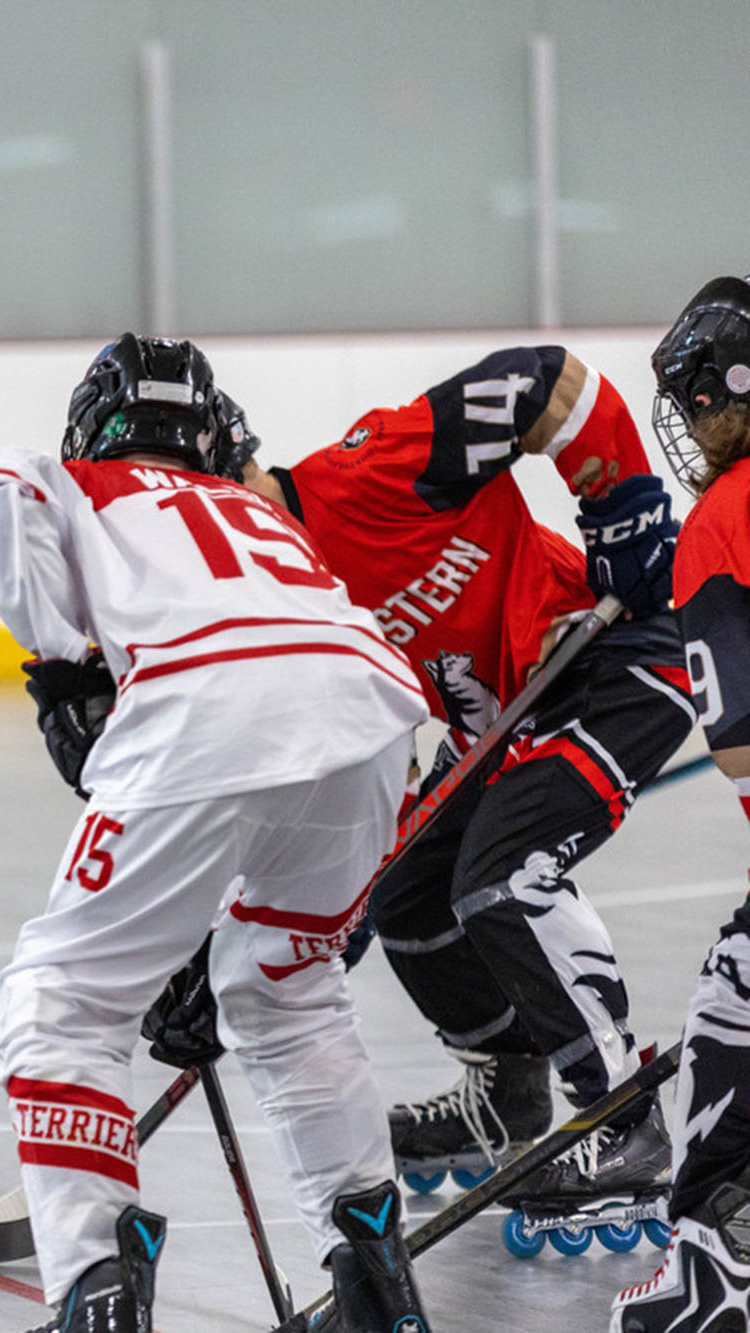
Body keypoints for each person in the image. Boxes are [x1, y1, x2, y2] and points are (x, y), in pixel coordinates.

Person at [0, 335, 433, 1333]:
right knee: (289, 991)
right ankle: (378, 1293)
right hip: (370, 709)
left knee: (61, 999)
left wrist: (60, 666)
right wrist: (193, 942)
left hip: (204, 702)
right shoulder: (254, 510)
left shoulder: (78, 484)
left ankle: (95, 1292)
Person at [236, 344, 693, 1211]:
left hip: (608, 656)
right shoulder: (279, 599)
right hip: (502, 721)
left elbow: (547, 379)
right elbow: (363, 753)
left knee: (502, 876)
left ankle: (624, 1119)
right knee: (404, 892)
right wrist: (335, 884)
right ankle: (507, 1087)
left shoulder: (372, 471)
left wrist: (623, 509)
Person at [611, 275, 750, 1332]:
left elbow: (739, 745)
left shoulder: (719, 520)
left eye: (697, 402)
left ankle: (714, 1266)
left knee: (727, 1005)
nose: (692, 427)